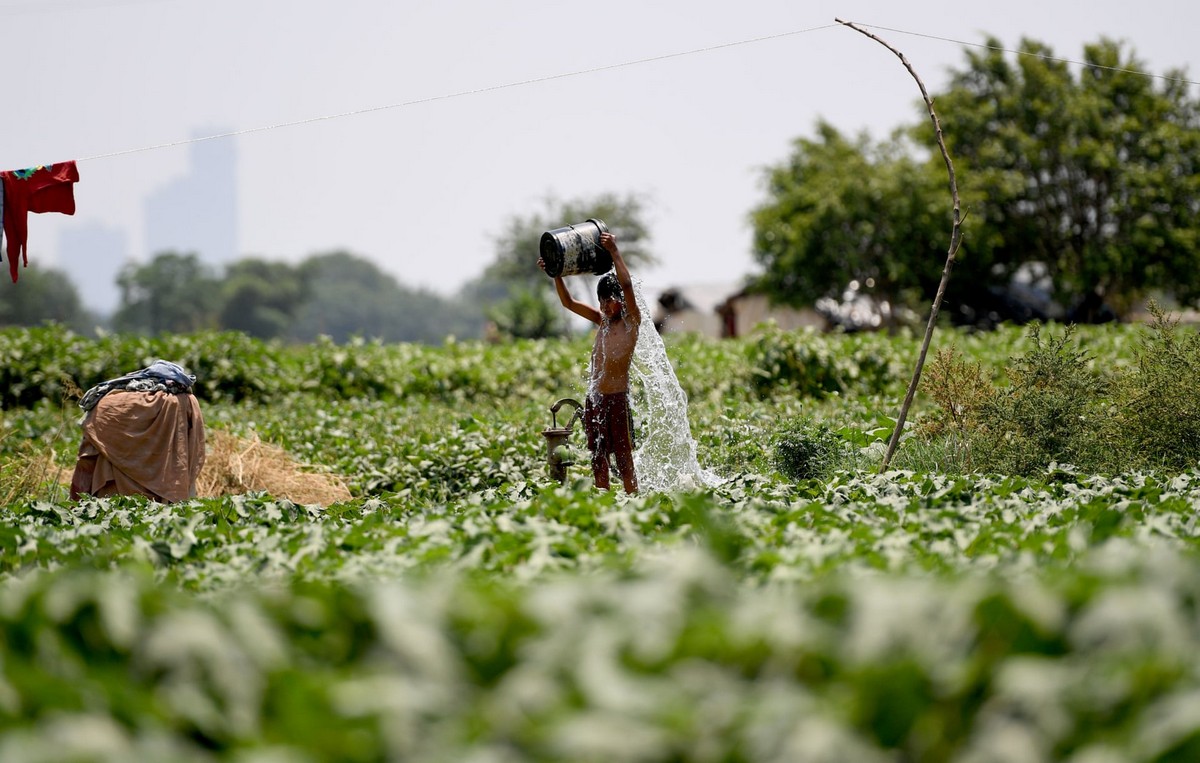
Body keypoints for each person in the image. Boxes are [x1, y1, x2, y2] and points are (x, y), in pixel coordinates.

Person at [539, 232, 641, 493]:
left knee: (624, 458)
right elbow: (568, 302)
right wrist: (556, 273)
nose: (606, 306)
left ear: (620, 301)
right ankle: (603, 499)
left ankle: (634, 500)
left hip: (617, 399)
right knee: (598, 457)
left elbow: (627, 286)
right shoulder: (601, 322)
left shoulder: (631, 324)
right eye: (602, 301)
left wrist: (615, 251)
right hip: (595, 399)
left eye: (611, 300)